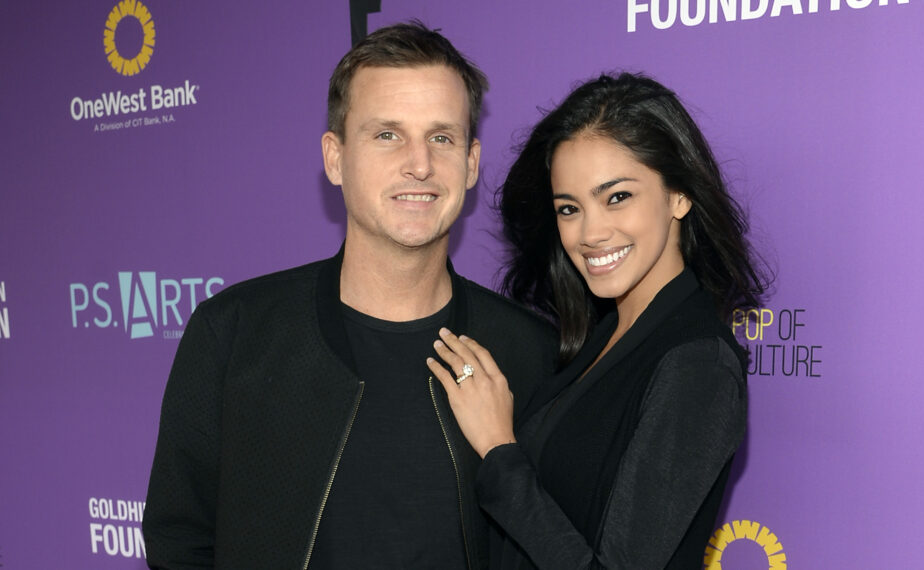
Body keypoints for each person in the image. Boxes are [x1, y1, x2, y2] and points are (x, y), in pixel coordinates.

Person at [142, 22, 556, 569]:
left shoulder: (530, 353)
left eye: (441, 137)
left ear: (472, 163)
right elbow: (179, 546)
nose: (420, 164)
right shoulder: (234, 334)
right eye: (387, 134)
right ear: (335, 158)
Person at [427, 72, 768, 568]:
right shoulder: (604, 333)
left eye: (617, 197)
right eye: (570, 208)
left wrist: (500, 449)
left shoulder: (698, 364)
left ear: (679, 195)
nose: (590, 233)